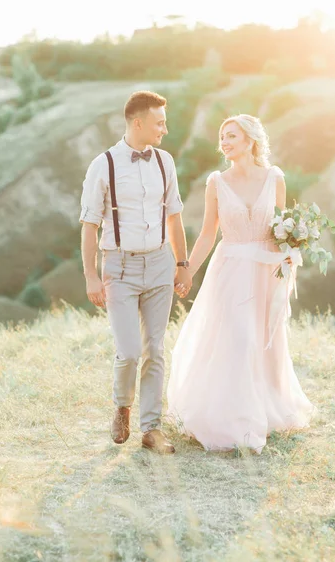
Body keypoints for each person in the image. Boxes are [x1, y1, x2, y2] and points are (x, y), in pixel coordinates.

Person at [167, 114, 316, 454]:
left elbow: (283, 227)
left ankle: (267, 409)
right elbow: (208, 234)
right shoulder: (216, 182)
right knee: (239, 339)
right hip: (231, 270)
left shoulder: (274, 178)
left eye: (231, 135)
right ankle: (236, 421)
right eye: (222, 137)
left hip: (266, 272)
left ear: (250, 141)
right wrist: (187, 269)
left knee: (266, 340)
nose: (225, 142)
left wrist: (292, 250)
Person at [79, 91, 191, 455]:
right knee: (128, 351)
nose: (165, 129)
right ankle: (122, 406)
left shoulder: (165, 162)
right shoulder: (103, 164)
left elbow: (174, 216)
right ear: (138, 122)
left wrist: (182, 265)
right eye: (159, 122)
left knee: (155, 350)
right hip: (120, 268)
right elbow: (89, 225)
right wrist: (91, 276)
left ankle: (151, 429)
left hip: (160, 263)